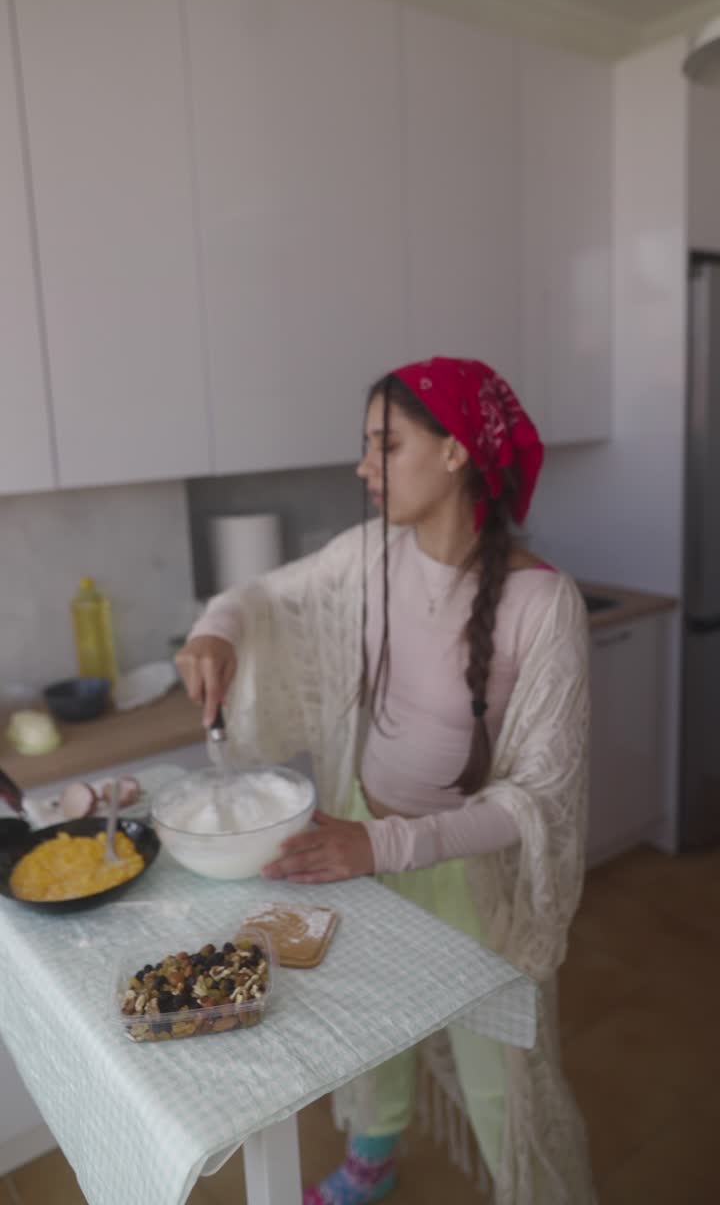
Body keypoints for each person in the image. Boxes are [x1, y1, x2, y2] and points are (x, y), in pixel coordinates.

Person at [176, 357, 595, 1205]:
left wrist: (381, 844)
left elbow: (539, 796)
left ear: (453, 453)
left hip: (464, 869)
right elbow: (256, 595)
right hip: (356, 837)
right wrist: (216, 631)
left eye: (384, 444)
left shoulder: (542, 605)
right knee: (373, 1026)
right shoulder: (366, 556)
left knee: (497, 1069)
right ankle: (372, 1158)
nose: (364, 466)